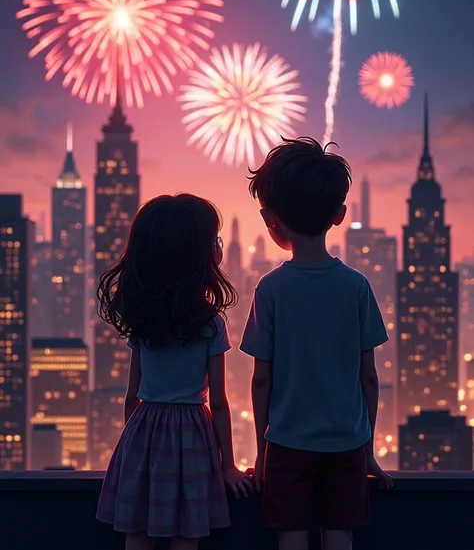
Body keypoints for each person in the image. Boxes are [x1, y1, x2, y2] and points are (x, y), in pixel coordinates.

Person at [240, 138, 393, 550]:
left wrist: (262, 455)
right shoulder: (357, 287)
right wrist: (368, 450)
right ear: (339, 215)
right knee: (339, 536)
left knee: (290, 534)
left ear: (269, 218)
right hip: (347, 443)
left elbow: (261, 380)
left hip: (287, 444)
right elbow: (369, 378)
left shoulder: (270, 290)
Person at [96, 194, 252, 550]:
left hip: (143, 430)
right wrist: (228, 465)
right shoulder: (210, 324)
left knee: (138, 529)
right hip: (192, 434)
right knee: (186, 530)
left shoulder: (141, 319)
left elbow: (131, 395)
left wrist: (131, 444)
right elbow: (221, 400)